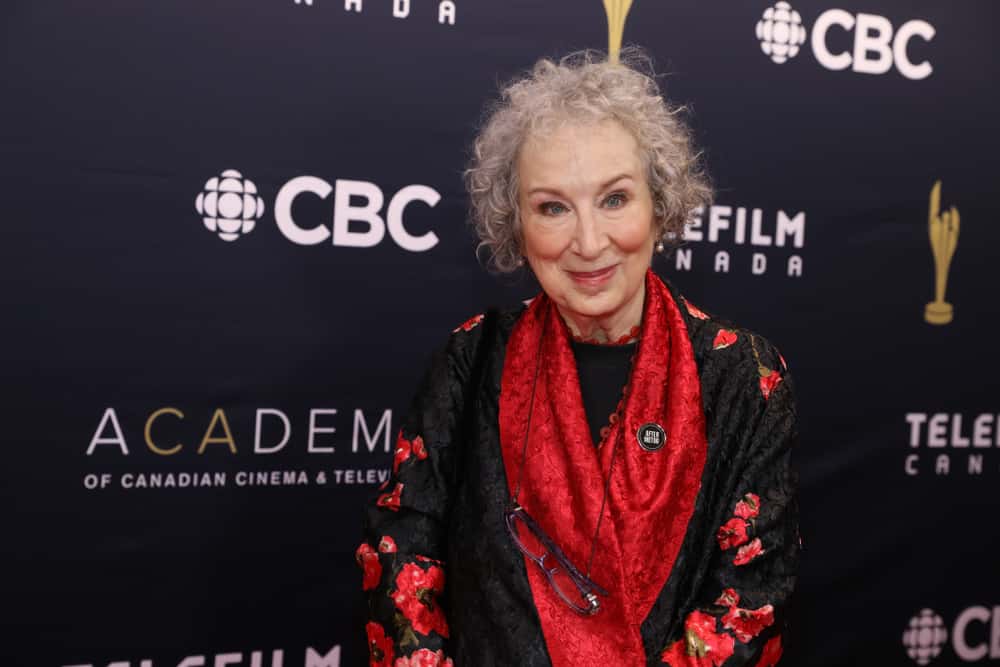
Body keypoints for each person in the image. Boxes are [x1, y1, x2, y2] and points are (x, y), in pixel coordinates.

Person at [356, 49, 800, 667]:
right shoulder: (471, 357)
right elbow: (401, 549)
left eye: (615, 199)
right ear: (517, 225)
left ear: (659, 205)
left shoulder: (741, 373)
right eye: (553, 207)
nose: (589, 242)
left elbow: (751, 598)